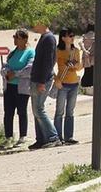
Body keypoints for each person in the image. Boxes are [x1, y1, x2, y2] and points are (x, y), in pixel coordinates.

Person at [28, 21, 60, 150]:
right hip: (37, 79)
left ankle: (53, 137)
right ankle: (41, 139)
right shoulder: (44, 37)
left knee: (39, 109)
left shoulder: (49, 38)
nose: (33, 25)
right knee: (36, 110)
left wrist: (42, 81)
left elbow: (48, 61)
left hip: (42, 80)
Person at [2, 29, 35, 146]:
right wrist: (6, 73)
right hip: (9, 86)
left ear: (25, 39)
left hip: (22, 88)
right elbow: (6, 66)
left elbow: (29, 69)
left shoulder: (30, 52)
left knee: (21, 111)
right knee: (8, 112)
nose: (15, 39)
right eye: (14, 37)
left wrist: (15, 74)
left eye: (17, 37)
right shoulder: (12, 52)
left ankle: (22, 136)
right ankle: (8, 137)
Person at [54, 29, 82, 145]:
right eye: (70, 36)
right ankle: (57, 137)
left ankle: (69, 137)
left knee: (70, 111)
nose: (72, 38)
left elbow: (80, 67)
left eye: (73, 35)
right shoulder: (58, 51)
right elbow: (50, 67)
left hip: (74, 83)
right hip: (62, 83)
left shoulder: (76, 51)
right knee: (59, 111)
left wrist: (75, 65)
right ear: (63, 38)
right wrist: (56, 80)